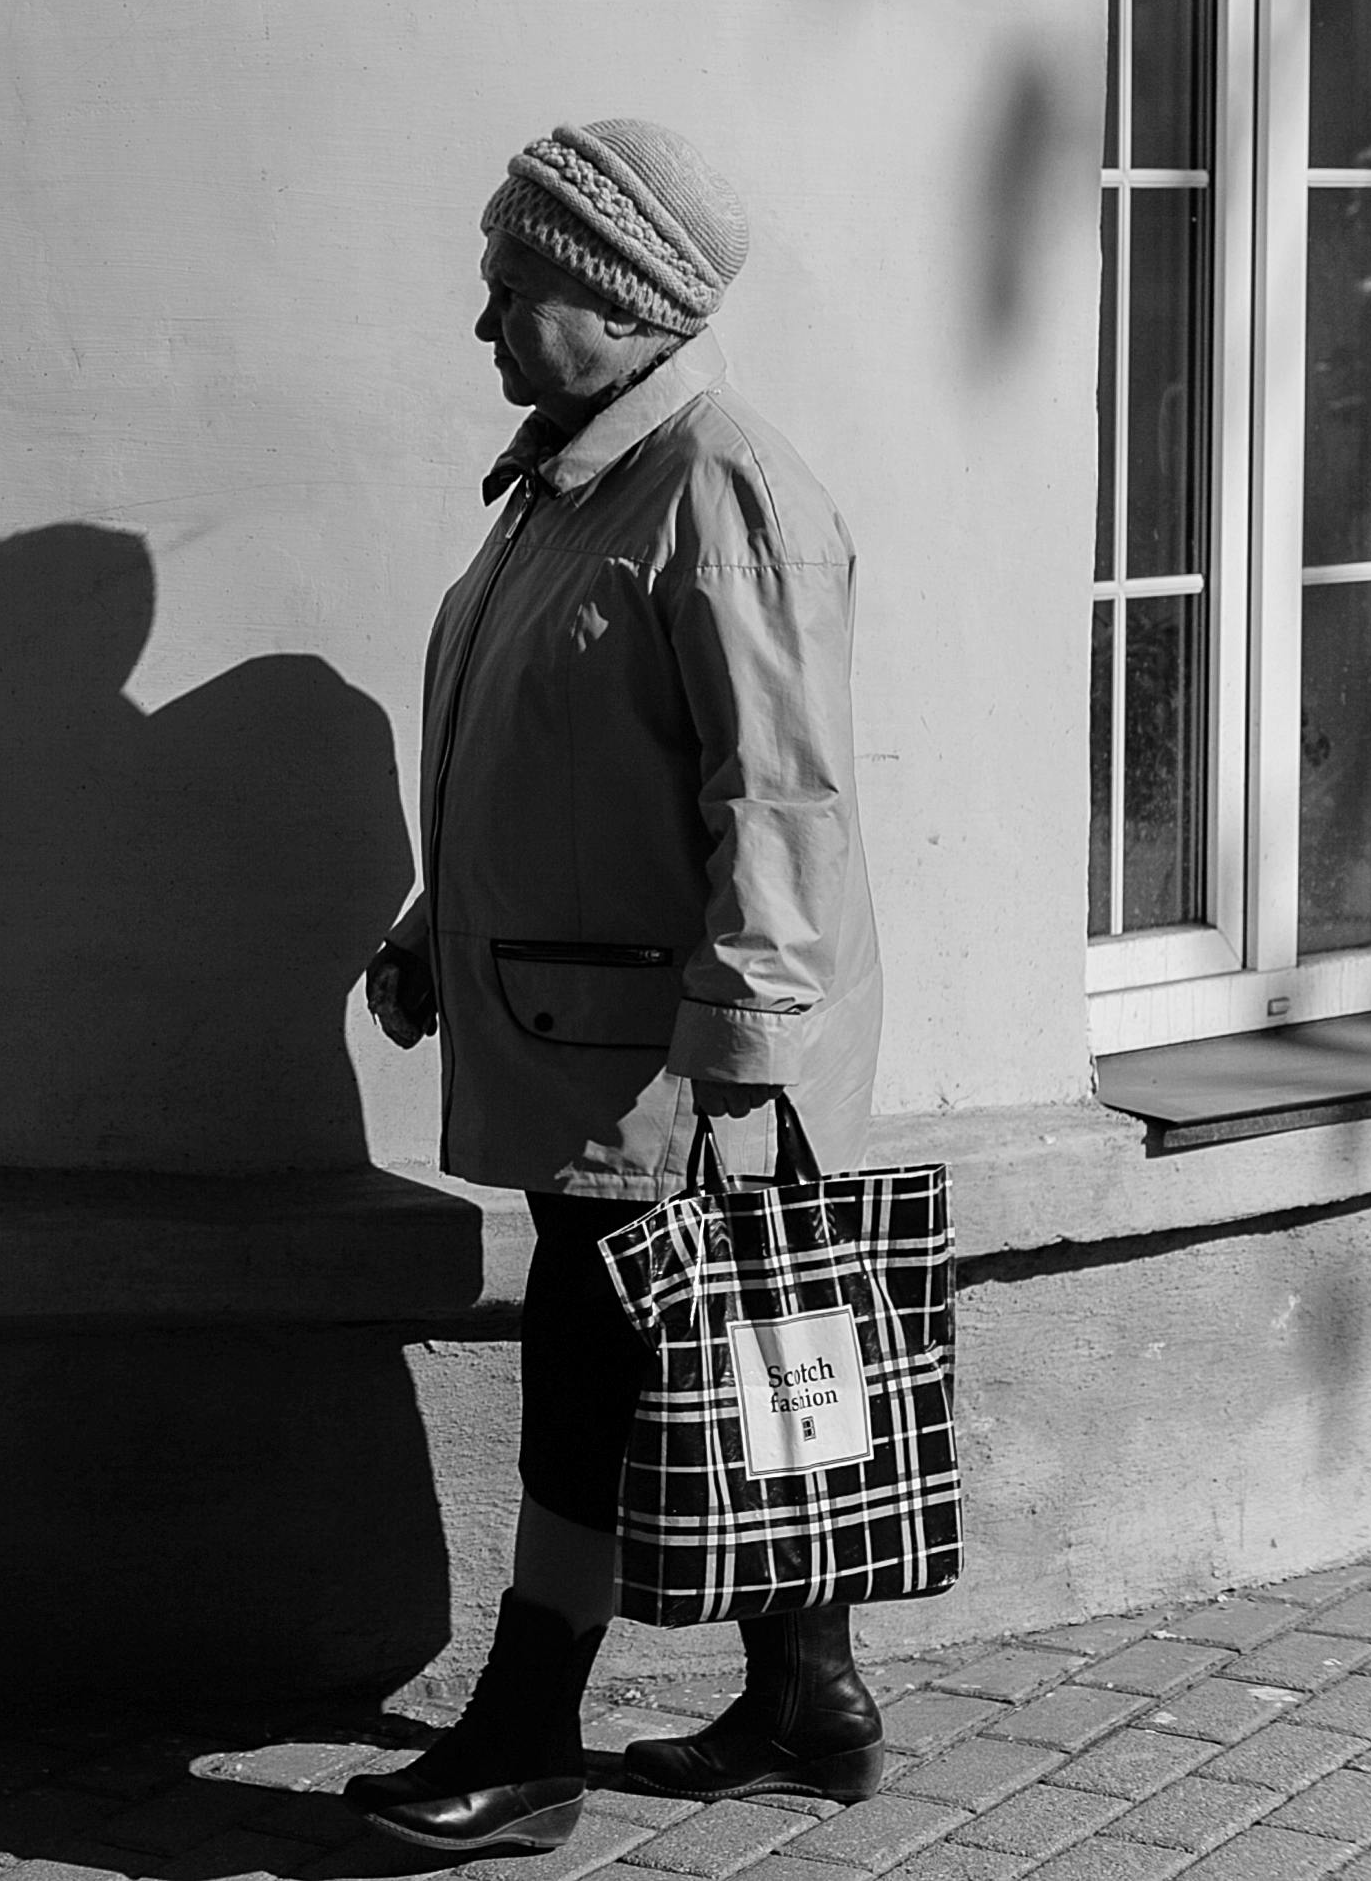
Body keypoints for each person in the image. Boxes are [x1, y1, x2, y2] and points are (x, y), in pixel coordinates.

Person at [343, 120, 885, 1859]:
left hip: (675, 1052)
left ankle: (526, 1738)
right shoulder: (576, 478)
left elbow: (779, 797)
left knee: (595, 1370)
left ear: (625, 300)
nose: (484, 321)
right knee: (737, 1360)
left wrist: (744, 1062)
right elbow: (552, 753)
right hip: (605, 1022)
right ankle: (807, 1699)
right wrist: (440, 923)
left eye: (517, 287)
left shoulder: (720, 486)